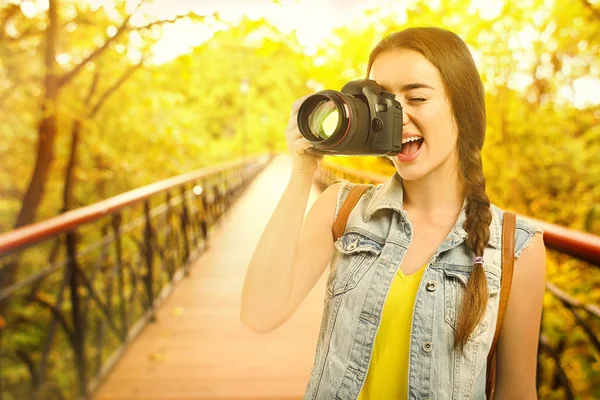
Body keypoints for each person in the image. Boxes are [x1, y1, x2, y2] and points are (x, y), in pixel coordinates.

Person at [240, 27, 546, 400]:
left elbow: (516, 391)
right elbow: (260, 313)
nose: (396, 117)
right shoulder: (342, 209)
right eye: (381, 100)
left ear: (461, 108)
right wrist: (303, 172)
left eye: (416, 97)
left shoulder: (517, 247)